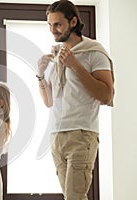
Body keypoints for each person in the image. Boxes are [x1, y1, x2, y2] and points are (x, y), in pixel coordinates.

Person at [36, 0, 114, 199]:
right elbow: (49, 102)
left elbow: (106, 95)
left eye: (58, 24)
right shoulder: (56, 57)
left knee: (74, 197)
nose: (53, 31)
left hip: (81, 134)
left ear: (73, 22)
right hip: (57, 135)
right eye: (50, 25)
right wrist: (40, 75)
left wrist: (75, 65)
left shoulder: (93, 51)